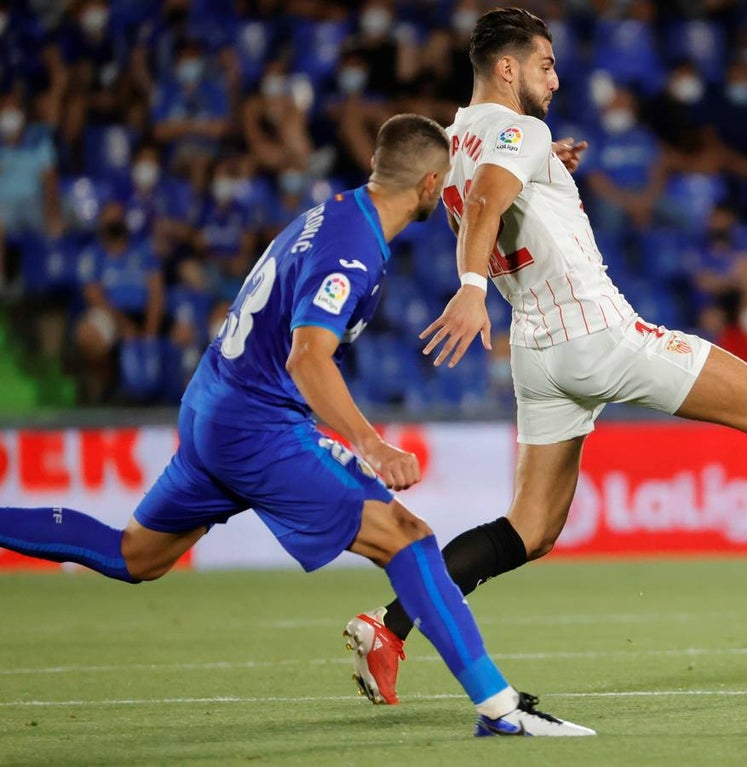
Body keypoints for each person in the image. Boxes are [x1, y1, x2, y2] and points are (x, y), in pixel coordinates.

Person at [358, 7, 747, 708]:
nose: (556, 79)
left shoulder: (455, 139)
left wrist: (546, 170)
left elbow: (488, 189)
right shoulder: (520, 130)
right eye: (545, 64)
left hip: (538, 348)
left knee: (529, 529)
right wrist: (469, 290)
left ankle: (388, 626)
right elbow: (492, 199)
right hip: (596, 334)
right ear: (507, 68)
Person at [0, 113, 593, 738]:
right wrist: (371, 444)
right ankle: (500, 709)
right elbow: (306, 357)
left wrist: (529, 162)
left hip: (212, 406)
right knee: (407, 535)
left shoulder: (337, 213)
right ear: (428, 184)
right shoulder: (354, 248)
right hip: (255, 426)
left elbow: (461, 189)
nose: (447, 192)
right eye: (443, 184)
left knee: (135, 555)